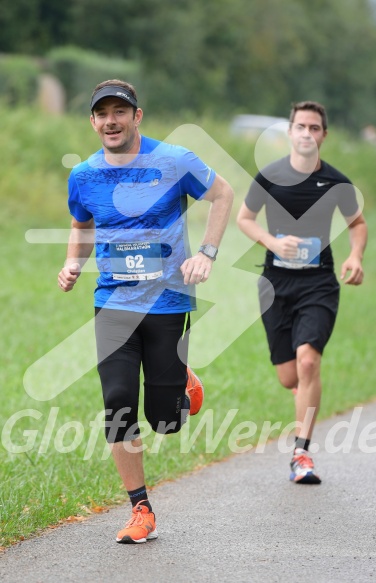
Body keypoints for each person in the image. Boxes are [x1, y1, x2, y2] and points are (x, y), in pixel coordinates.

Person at [57, 79, 234, 542]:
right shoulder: (85, 175)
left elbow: (223, 194)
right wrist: (73, 263)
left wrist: (208, 253)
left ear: (137, 117)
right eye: (102, 114)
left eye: (120, 112)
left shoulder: (174, 160)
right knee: (117, 404)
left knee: (165, 420)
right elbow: (81, 223)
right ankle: (141, 510)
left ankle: (182, 381)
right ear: (93, 121)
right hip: (112, 303)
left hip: (168, 302)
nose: (111, 121)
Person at [237, 101, 367, 484]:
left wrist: (355, 255)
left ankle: (301, 453)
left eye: (314, 127)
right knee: (289, 376)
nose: (307, 133)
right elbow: (245, 219)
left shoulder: (337, 182)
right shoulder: (269, 176)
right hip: (276, 284)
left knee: (309, 361)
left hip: (319, 283)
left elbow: (357, 223)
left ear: (323, 135)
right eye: (301, 126)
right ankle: (303, 404)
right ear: (290, 132)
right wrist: (271, 243)